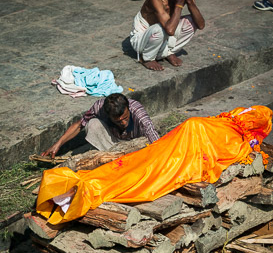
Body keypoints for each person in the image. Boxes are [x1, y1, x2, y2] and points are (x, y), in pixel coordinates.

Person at [37, 105, 272, 225]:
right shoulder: (236, 139)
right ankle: (80, 190)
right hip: (179, 148)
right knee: (141, 173)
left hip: (178, 147)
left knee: (137, 169)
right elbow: (214, 157)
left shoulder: (227, 127)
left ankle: (78, 190)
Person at [130, 0, 205, 71]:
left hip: (165, 35)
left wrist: (189, 1)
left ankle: (168, 52)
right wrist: (179, 3)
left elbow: (201, 25)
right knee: (160, 29)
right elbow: (169, 30)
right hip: (143, 38)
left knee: (192, 21)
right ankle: (147, 58)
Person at [41, 93, 159, 158]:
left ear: (128, 109)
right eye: (118, 121)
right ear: (108, 115)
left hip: (137, 146)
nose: (123, 123)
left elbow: (154, 137)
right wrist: (58, 144)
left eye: (125, 118)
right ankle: (111, 157)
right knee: (92, 124)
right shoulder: (99, 107)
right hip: (113, 144)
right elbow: (79, 125)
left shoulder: (138, 112)